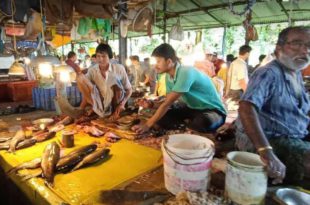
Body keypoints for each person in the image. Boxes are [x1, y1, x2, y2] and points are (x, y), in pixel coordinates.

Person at [235, 26, 310, 184]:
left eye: (309, 45)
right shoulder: (268, 72)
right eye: (297, 44)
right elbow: (246, 107)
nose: (305, 50)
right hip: (270, 139)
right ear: (278, 48)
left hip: (295, 134)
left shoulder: (295, 73)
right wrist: (265, 151)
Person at [132, 44, 226, 134]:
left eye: (158, 61)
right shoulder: (169, 77)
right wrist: (151, 104)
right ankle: (187, 127)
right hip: (192, 108)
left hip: (213, 111)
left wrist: (147, 125)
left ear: (169, 62)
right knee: (162, 117)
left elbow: (166, 104)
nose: (155, 65)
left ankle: (187, 127)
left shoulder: (185, 72)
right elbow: (168, 102)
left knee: (204, 122)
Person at [76, 44, 132, 120]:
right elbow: (88, 89)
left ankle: (112, 112)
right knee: (80, 77)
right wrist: (81, 108)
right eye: (98, 56)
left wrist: (122, 104)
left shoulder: (119, 68)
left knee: (112, 78)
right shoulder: (92, 70)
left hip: (115, 102)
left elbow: (129, 90)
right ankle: (97, 108)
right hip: (100, 102)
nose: (100, 59)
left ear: (109, 57)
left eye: (104, 56)